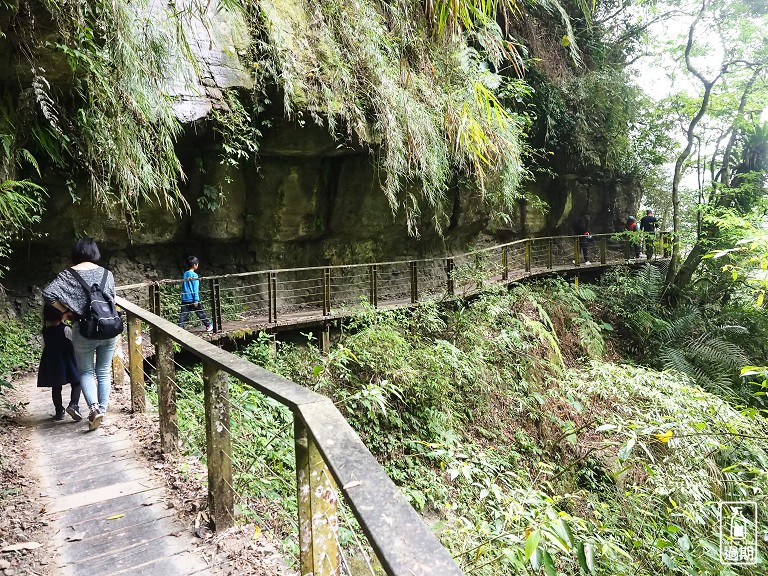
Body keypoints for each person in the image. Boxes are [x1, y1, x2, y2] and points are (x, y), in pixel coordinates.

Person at [42, 238, 120, 431]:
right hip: (109, 329)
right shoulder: (107, 274)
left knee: (86, 371)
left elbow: (48, 294)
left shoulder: (68, 275)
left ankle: (93, 408)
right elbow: (112, 300)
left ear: (75, 253)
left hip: (84, 329)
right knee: (103, 371)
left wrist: (66, 312)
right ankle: (102, 410)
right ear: (95, 253)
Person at [37, 303, 82, 421]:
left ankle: (59, 410)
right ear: (61, 314)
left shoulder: (45, 331)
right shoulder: (66, 329)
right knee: (77, 382)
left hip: (52, 361)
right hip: (68, 360)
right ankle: (73, 405)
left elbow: (44, 346)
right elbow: (74, 344)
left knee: (56, 386)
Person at [179, 256, 213, 333]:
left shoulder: (185, 274)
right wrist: (196, 299)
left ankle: (180, 329)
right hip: (193, 298)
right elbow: (195, 288)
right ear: (195, 265)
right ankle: (208, 325)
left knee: (183, 315)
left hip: (185, 298)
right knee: (200, 312)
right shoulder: (194, 275)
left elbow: (184, 285)